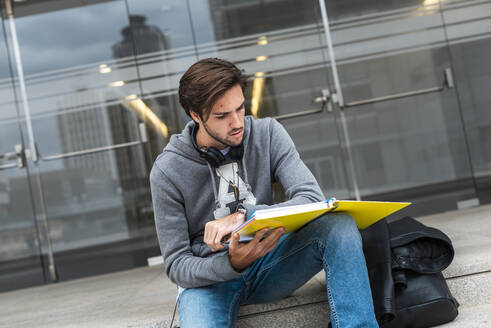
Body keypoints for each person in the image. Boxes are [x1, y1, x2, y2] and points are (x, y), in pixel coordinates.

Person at [149, 58, 378, 328]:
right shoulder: (167, 171)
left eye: (240, 108)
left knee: (338, 224)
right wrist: (230, 264)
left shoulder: (267, 133)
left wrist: (244, 217)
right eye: (222, 116)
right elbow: (177, 265)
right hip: (209, 282)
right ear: (195, 115)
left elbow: (312, 198)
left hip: (270, 263)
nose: (237, 123)